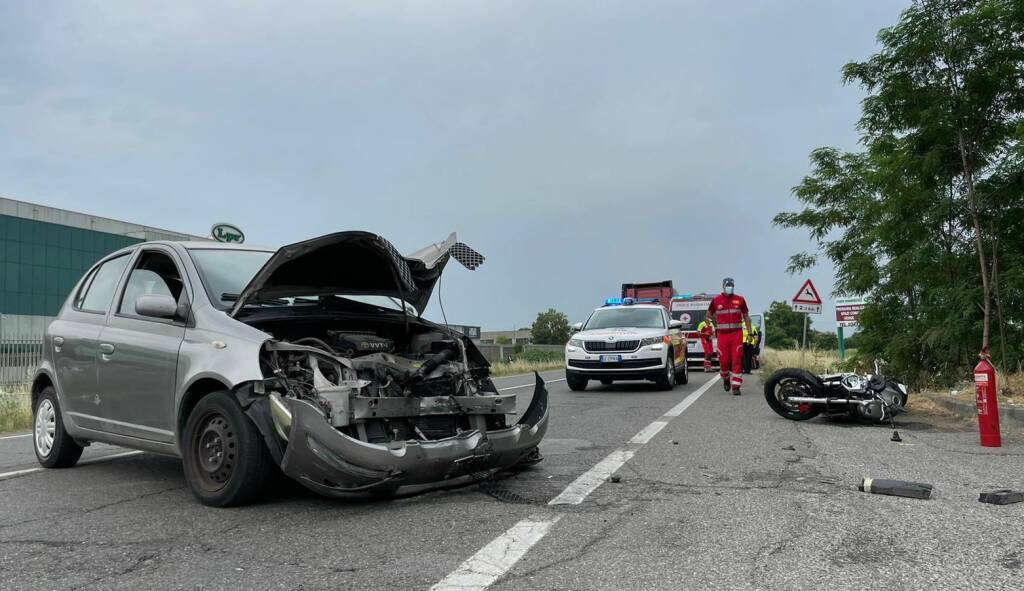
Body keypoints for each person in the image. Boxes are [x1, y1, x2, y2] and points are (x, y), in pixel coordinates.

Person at [707, 277, 752, 395]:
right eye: (727, 285)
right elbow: (708, 315)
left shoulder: (740, 299)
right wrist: (717, 321)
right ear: (723, 286)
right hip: (722, 335)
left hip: (736, 334)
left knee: (737, 359)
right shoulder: (716, 300)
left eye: (731, 285)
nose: (729, 287)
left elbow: (746, 316)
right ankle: (726, 378)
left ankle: (736, 386)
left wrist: (750, 332)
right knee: (724, 360)